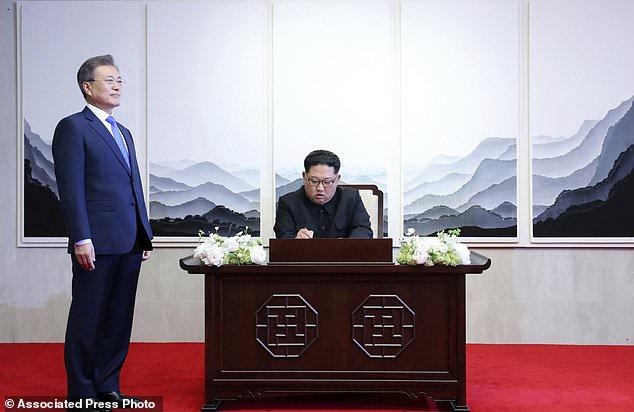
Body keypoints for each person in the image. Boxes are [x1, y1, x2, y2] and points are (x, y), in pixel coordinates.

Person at [52, 55, 153, 411]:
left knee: (118, 319)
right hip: (95, 242)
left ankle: (108, 386)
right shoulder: (73, 127)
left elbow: (133, 186)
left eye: (119, 80)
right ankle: (82, 394)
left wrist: (144, 232)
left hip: (130, 240)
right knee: (88, 317)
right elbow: (71, 189)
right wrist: (81, 237)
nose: (117, 85)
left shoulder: (123, 132)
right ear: (87, 86)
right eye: (109, 80)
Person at [274, 150, 373, 239]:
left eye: (327, 182)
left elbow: (363, 229)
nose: (320, 188)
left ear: (337, 179)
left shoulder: (351, 198)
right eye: (314, 181)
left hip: (343, 254)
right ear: (304, 176)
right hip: (305, 254)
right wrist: (296, 240)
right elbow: (283, 238)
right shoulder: (288, 203)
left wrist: (347, 244)